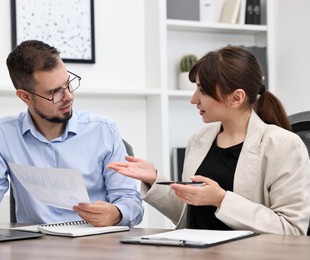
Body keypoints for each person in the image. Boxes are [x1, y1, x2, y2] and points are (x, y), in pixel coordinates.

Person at [0, 39, 144, 227]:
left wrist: (116, 214)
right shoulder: (4, 134)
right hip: (34, 249)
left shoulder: (103, 131)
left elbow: (131, 202)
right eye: (54, 93)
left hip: (96, 247)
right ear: (25, 97)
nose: (68, 96)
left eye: (68, 84)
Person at [107, 46, 310, 235]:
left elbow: (291, 230)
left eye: (203, 91)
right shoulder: (199, 139)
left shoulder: (283, 145)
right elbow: (191, 217)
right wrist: (155, 179)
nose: (193, 99)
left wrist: (221, 200)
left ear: (236, 98)